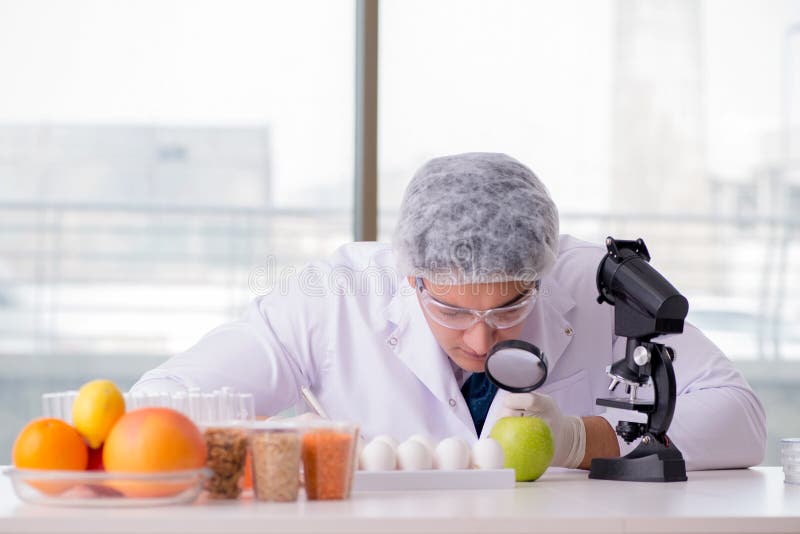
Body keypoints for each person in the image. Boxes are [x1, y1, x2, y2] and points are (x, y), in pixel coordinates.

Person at [131, 152, 766, 470]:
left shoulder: (594, 283)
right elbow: (158, 400)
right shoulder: (335, 295)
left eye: (512, 304)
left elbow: (740, 415)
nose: (482, 337)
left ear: (542, 274)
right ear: (409, 276)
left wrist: (580, 440)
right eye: (451, 309)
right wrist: (291, 446)